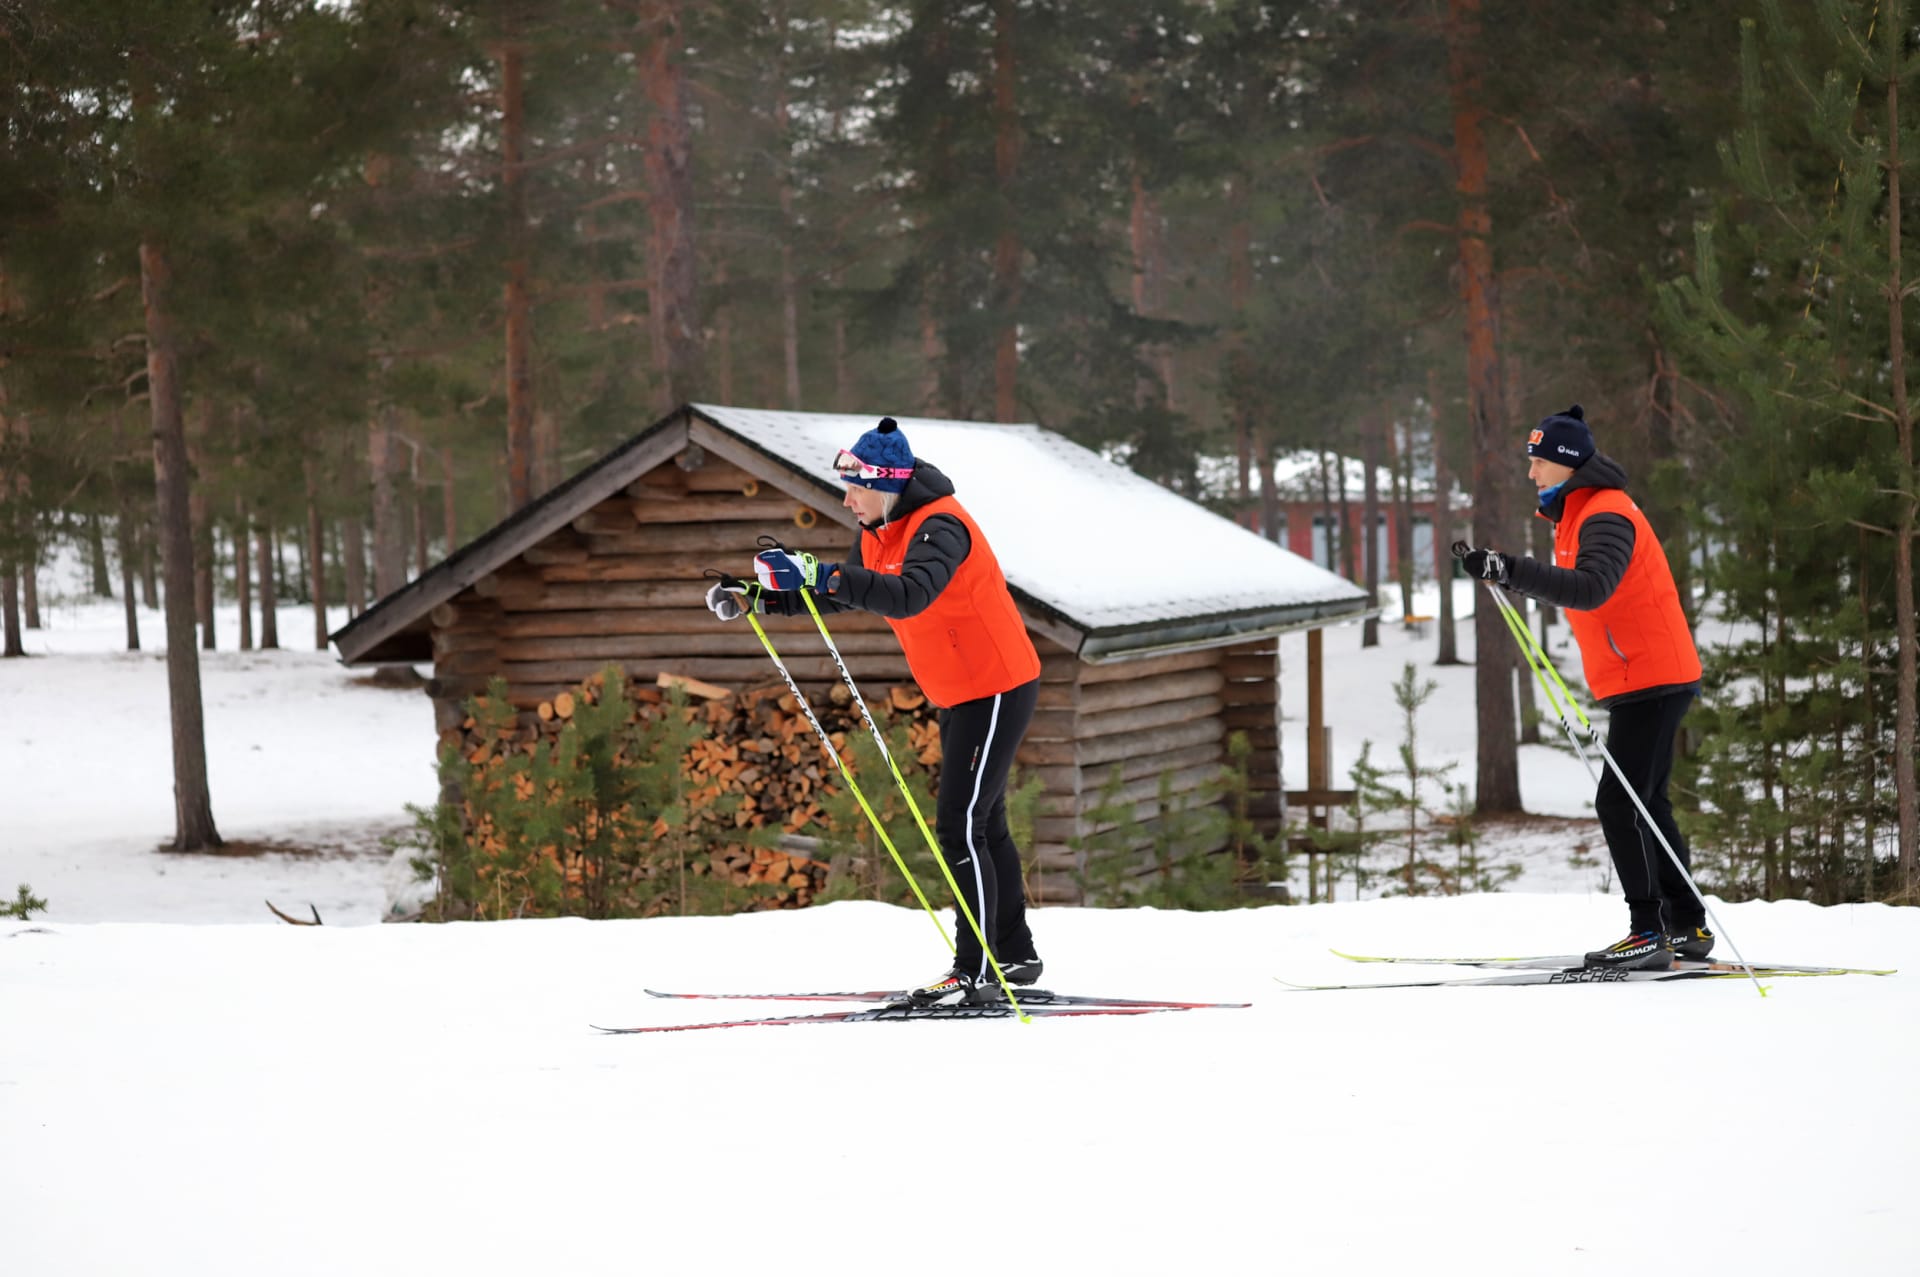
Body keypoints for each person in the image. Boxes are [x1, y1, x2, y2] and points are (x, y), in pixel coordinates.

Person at [702, 417, 1043, 1004]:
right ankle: (1013, 955)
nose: (846, 498)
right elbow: (847, 590)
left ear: (886, 484)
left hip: (995, 684)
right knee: (985, 824)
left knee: (961, 828)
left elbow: (908, 596)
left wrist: (821, 571)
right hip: (960, 690)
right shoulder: (880, 531)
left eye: (855, 487)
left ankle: (977, 967)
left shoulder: (941, 527)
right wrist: (759, 597)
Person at [1458, 405, 1707, 970]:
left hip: (1653, 673)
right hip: (1641, 674)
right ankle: (1685, 922)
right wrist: (1506, 571)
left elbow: (1592, 588)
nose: (1532, 473)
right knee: (1646, 800)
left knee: (1619, 801)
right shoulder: (1576, 514)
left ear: (1569, 465)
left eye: (1540, 462)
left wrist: (1510, 569)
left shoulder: (1606, 515)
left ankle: (1648, 931)